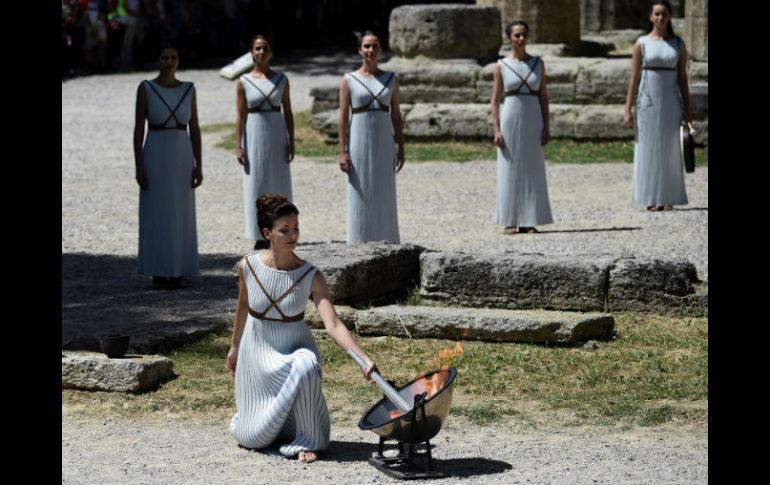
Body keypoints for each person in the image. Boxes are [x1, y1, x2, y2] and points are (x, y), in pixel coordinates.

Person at [226, 193, 378, 464]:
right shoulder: (247, 266)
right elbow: (243, 306)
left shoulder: (311, 275)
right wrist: (235, 347)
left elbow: (333, 324)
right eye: (284, 230)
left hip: (294, 348)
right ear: (267, 233)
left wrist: (363, 358)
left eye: (296, 228)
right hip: (256, 354)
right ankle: (270, 427)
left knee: (306, 365)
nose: (293, 235)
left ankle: (307, 440)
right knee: (252, 439)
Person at [133, 44, 202, 289]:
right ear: (158, 60)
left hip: (181, 154)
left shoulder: (188, 89)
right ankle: (158, 270)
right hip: (155, 151)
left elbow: (195, 128)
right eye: (164, 57)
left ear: (178, 60)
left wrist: (199, 164)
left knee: (181, 212)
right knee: (157, 211)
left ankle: (178, 269)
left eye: (173, 57)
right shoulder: (146, 88)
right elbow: (138, 128)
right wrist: (138, 164)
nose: (169, 61)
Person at [623, 0, 691, 212]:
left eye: (664, 14)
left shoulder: (678, 44)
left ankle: (668, 196)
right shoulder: (641, 43)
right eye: (657, 14)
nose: (661, 18)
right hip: (647, 102)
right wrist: (627, 109)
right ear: (651, 17)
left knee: (670, 149)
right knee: (648, 147)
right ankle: (650, 196)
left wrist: (687, 109)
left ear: (669, 17)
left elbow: (683, 78)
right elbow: (634, 78)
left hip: (670, 101)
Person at [338, 31, 404, 244]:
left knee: (384, 190)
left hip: (384, 142)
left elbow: (396, 115)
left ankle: (387, 241)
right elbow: (342, 117)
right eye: (366, 46)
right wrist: (342, 151)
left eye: (375, 46)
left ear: (380, 50)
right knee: (360, 190)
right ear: (360, 50)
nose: (371, 50)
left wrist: (401, 147)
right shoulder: (349, 80)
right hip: (358, 142)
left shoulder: (391, 79)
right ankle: (358, 241)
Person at [491, 20, 553, 235]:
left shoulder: (538, 63)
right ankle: (510, 219)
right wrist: (496, 129)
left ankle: (529, 220)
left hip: (533, 118)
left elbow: (543, 96)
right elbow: (495, 100)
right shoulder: (501, 65)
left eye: (524, 34)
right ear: (509, 38)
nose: (521, 39)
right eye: (516, 35)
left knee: (532, 168)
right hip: (510, 117)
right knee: (509, 168)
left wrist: (546, 125)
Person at [235, 35, 295, 250]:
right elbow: (240, 115)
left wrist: (291, 140)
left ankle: (282, 228)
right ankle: (260, 234)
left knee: (278, 180)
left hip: (276, 134)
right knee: (257, 182)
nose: (261, 52)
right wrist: (238, 145)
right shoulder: (244, 82)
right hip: (254, 134)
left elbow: (288, 111)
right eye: (257, 48)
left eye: (265, 48)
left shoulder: (281, 80)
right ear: (252, 52)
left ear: (271, 52)